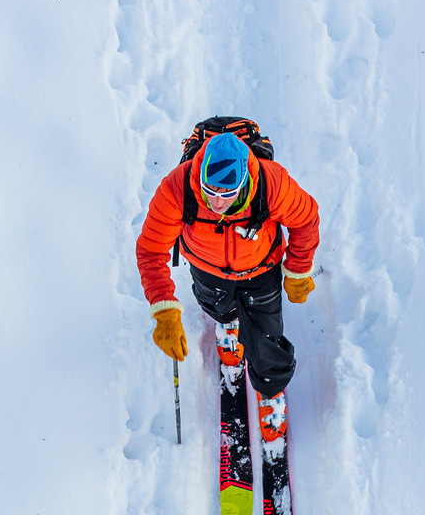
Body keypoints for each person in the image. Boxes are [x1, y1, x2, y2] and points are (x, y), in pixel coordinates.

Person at [135, 121, 320, 407]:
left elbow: (306, 219)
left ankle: (270, 390)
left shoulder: (271, 184)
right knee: (219, 308)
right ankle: (229, 328)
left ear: (245, 179)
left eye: (227, 193)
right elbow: (151, 249)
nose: (217, 202)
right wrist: (164, 309)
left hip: (261, 268)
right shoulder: (177, 188)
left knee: (267, 334)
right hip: (207, 268)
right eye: (210, 191)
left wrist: (297, 270)